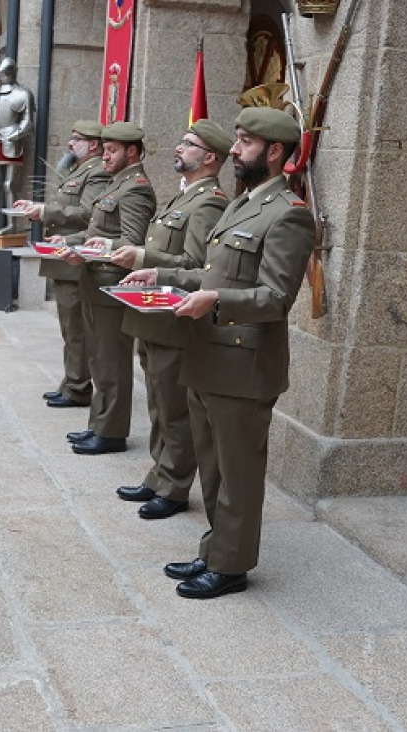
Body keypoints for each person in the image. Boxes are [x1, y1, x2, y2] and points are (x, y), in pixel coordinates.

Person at [125, 107, 314, 599]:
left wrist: (216, 301)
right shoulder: (238, 206)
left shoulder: (289, 215)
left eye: (245, 142)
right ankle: (214, 548)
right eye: (236, 139)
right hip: (207, 356)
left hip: (244, 363)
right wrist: (161, 275)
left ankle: (231, 565)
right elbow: (211, 275)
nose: (234, 149)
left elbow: (275, 298)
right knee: (211, 468)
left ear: (274, 152)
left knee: (239, 473)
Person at [111, 120, 231, 520]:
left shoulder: (209, 202)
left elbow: (197, 265)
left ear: (210, 157)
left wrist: (143, 260)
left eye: (189, 143)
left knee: (175, 410)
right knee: (159, 406)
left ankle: (175, 487)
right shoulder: (183, 197)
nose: (178, 148)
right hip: (153, 318)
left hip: (174, 322)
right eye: (181, 140)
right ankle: (158, 475)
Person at [51, 121, 156, 455]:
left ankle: (111, 432)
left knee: (111, 362)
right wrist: (69, 241)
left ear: (133, 152)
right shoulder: (117, 184)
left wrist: (93, 250)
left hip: (111, 285)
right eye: (105, 149)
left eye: (112, 151)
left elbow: (132, 243)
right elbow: (99, 231)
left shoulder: (136, 188)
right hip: (95, 282)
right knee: (98, 359)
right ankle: (98, 423)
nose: (105, 156)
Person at [14, 119, 111, 409]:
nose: (70, 143)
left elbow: (86, 214)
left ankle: (78, 386)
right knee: (69, 327)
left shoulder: (96, 173)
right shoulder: (79, 169)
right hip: (62, 256)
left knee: (76, 327)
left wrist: (45, 211)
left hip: (74, 256)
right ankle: (71, 381)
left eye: (76, 138)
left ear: (93, 145)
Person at [0, 57, 34, 233]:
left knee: (9, 185)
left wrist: (15, 134)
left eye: (4, 73)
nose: (1, 76)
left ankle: (12, 225)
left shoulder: (23, 94)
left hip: (11, 141)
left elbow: (28, 122)